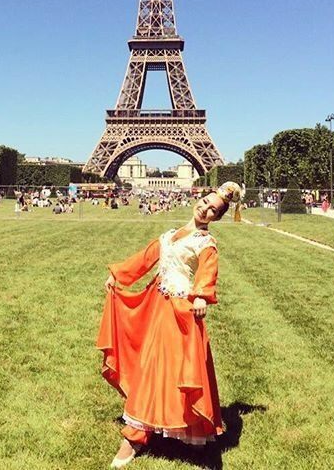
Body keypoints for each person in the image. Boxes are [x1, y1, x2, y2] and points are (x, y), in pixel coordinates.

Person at [97, 181, 241, 468]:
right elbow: (145, 258)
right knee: (162, 368)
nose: (205, 209)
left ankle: (136, 436)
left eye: (213, 210)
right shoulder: (171, 234)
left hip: (179, 311)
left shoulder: (205, 242)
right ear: (198, 199)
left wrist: (201, 296)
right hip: (157, 305)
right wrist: (119, 276)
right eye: (205, 203)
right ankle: (157, 429)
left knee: (167, 369)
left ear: (217, 217)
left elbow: (208, 271)